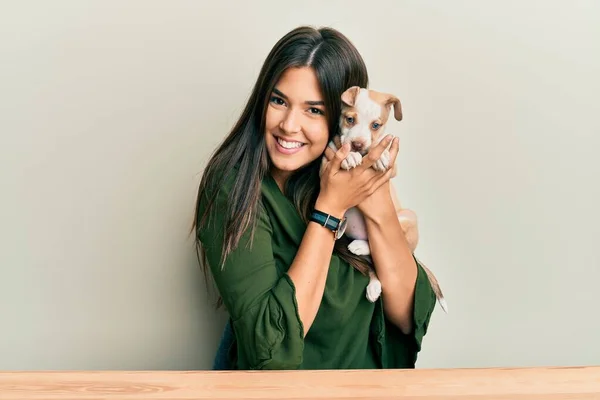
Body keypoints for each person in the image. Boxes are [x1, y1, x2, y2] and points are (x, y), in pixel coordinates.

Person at [193, 25, 438, 370]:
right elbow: (273, 350)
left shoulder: (336, 172)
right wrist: (329, 209)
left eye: (314, 110)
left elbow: (405, 318)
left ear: (343, 118)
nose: (289, 125)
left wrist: (375, 195)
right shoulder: (233, 188)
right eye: (278, 101)